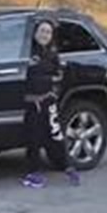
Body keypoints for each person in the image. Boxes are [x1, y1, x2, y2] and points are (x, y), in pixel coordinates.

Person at [21, 18, 81, 189]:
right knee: (34, 138)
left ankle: (67, 167)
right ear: (35, 33)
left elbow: (59, 76)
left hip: (49, 102)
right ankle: (32, 173)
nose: (45, 35)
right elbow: (30, 78)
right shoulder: (27, 51)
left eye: (48, 32)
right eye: (42, 31)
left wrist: (51, 83)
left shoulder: (53, 54)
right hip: (32, 103)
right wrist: (47, 79)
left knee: (56, 136)